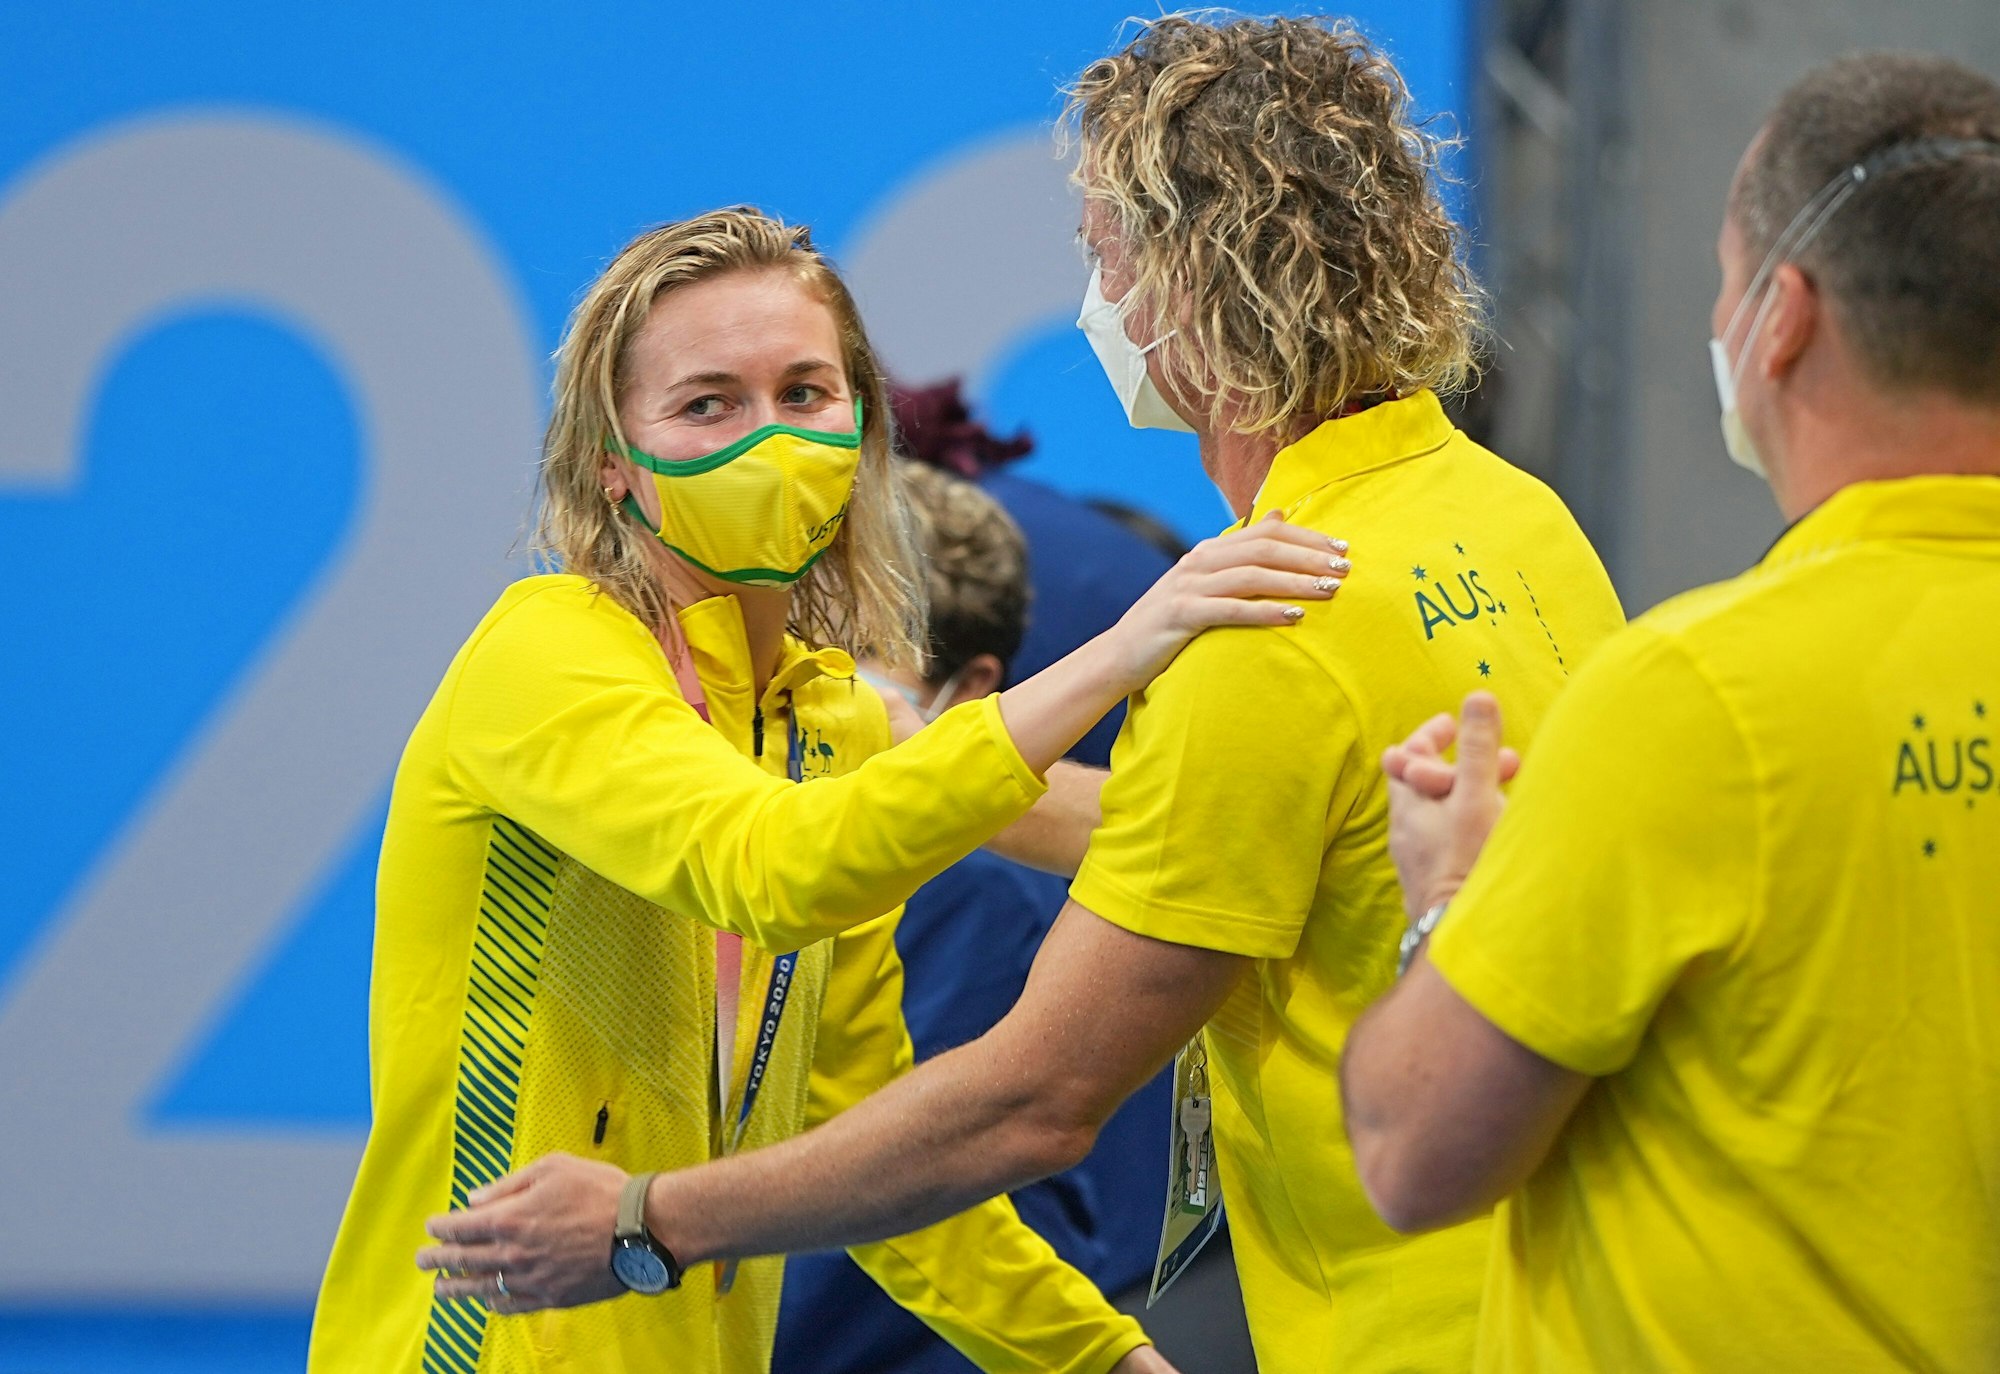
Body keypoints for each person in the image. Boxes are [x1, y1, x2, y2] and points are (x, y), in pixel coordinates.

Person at [423, 20, 1624, 1373]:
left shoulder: (1255, 630)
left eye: (1104, 254)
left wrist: (653, 1218)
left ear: (1187, 278)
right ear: (610, 462)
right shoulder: (1522, 525)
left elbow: (1032, 1081)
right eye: (708, 403)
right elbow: (1206, 835)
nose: (1091, 300)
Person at [308, 205, 1344, 1374]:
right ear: (611, 461)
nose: (769, 438)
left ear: (859, 424)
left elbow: (872, 1153)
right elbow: (773, 867)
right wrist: (1117, 650)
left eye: (804, 393)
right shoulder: (546, 651)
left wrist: (1108, 1364)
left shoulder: (827, 724)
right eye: (708, 404)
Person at [1341, 54, 2000, 1373]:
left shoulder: (1699, 693)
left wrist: (1451, 895)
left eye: (1724, 274)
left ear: (1784, 318)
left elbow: (1416, 1154)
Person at [776, 459, 1171, 1374]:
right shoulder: (753, 846)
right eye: (793, 655)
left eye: (848, 662)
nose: (808, 701)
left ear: (970, 687)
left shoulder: (979, 906)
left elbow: (934, 1198)